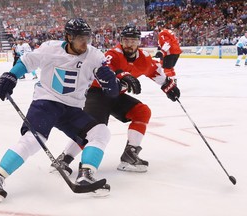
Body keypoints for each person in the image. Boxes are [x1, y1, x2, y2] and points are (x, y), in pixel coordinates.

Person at [0, 18, 126, 203]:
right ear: (69, 37)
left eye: (87, 37)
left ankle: (85, 175)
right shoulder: (51, 48)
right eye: (80, 37)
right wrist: (11, 76)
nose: (85, 42)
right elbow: (27, 61)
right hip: (46, 102)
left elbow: (111, 90)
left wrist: (111, 84)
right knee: (33, 140)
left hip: (73, 108)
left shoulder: (95, 55)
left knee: (101, 132)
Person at [50, 24, 180, 175]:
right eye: (125, 40)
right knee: (92, 129)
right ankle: (64, 158)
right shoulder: (114, 53)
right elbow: (106, 68)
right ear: (121, 41)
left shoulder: (144, 58)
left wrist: (168, 86)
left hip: (116, 96)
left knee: (142, 112)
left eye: (133, 41)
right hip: (97, 93)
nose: (129, 44)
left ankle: (129, 155)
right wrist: (122, 74)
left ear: (139, 42)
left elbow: (155, 72)